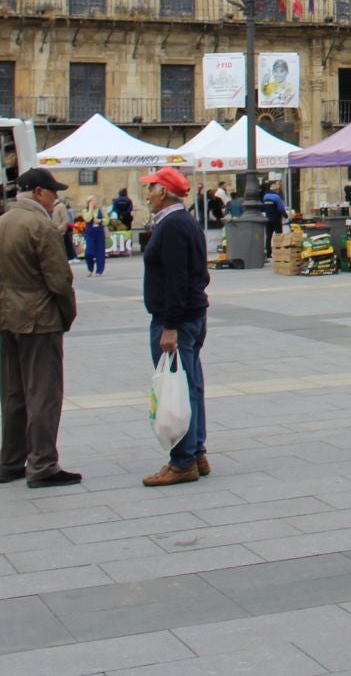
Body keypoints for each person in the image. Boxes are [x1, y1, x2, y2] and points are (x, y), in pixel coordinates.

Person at [0, 167, 80, 488]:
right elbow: (59, 280)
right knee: (43, 393)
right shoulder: (41, 226)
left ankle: (10, 461)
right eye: (53, 193)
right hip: (39, 319)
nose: (55, 200)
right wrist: (66, 315)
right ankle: (42, 464)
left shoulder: (1, 224)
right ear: (39, 192)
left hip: (7, 316)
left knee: (14, 393)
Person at [139, 166, 208, 485]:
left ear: (163, 192)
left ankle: (183, 461)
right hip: (192, 315)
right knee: (190, 383)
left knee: (178, 388)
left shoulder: (172, 226)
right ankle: (196, 452)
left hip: (177, 320)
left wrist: (170, 325)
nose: (147, 195)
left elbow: (176, 278)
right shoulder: (186, 222)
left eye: (151, 189)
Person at [80, 195, 107, 276]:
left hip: (99, 232)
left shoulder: (101, 210)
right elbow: (87, 219)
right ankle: (90, 269)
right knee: (89, 252)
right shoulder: (85, 211)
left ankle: (99, 271)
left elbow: (106, 221)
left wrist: (100, 220)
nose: (96, 202)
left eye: (96, 200)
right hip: (90, 233)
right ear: (89, 202)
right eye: (94, 201)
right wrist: (91, 209)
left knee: (100, 252)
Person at [111, 187, 135, 256]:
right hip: (127, 217)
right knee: (128, 231)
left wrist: (120, 213)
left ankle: (121, 247)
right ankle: (128, 246)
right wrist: (125, 213)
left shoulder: (116, 200)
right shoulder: (128, 200)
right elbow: (130, 208)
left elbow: (114, 208)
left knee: (120, 232)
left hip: (119, 218)